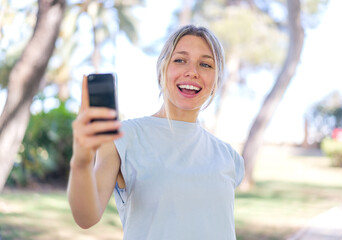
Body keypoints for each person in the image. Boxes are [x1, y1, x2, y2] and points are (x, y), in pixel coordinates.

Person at [67, 24, 245, 240]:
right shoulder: (123, 137)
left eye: (205, 64)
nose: (192, 72)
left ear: (216, 80)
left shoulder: (229, 157)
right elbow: (86, 217)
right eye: (180, 60)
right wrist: (81, 161)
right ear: (162, 69)